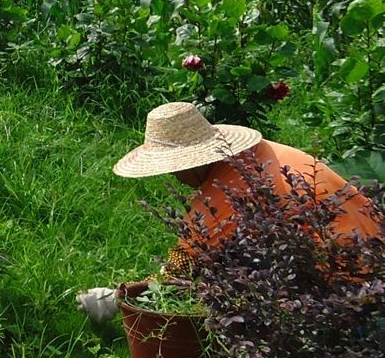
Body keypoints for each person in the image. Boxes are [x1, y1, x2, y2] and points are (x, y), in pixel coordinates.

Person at [77, 101, 382, 321]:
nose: (173, 178)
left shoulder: (218, 200)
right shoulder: (270, 151)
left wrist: (116, 299)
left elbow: (176, 278)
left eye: (173, 170)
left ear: (190, 163)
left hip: (349, 291)